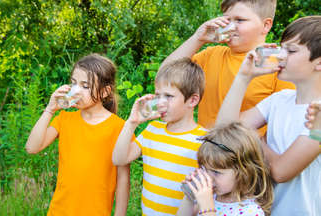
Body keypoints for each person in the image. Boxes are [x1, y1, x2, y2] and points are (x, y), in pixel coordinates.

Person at [216, 16, 321, 215]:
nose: (280, 56)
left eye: (290, 51)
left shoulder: (318, 116)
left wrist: (255, 138)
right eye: (281, 48)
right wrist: (243, 77)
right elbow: (225, 131)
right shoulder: (280, 100)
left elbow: (281, 172)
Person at [161, 0, 294, 132]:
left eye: (240, 20)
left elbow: (284, 122)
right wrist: (197, 39)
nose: (230, 26)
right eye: (226, 20)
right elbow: (165, 76)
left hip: (246, 150)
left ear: (266, 25)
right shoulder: (210, 55)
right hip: (204, 148)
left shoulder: (278, 65)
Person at [25, 53, 130, 216]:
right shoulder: (64, 119)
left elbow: (123, 179)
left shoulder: (119, 127)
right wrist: (50, 109)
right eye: (74, 83)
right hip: (59, 211)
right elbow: (32, 147)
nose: (76, 90)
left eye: (85, 86)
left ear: (104, 92)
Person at [113, 58, 207, 215]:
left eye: (169, 96)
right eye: (158, 95)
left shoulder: (203, 141)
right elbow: (119, 159)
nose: (161, 102)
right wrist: (132, 123)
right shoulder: (152, 130)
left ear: (192, 100)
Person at [177, 122, 274, 216]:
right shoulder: (211, 197)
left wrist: (207, 208)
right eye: (205, 169)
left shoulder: (251, 211)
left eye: (216, 172)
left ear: (245, 173)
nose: (208, 178)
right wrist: (189, 196)